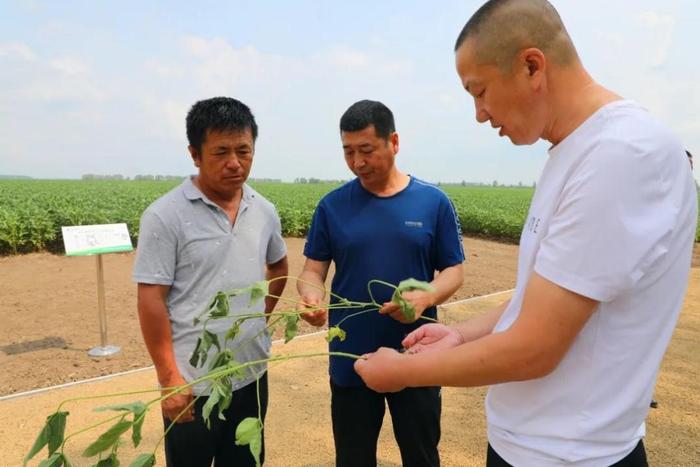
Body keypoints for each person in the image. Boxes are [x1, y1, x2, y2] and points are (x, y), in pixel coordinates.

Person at [354, 2, 698, 466]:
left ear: (532, 65)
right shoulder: (574, 151)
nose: (479, 113)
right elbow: (541, 299)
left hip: (571, 455)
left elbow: (535, 347)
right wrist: (460, 335)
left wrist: (406, 372)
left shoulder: (620, 155)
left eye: (480, 92)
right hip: (535, 446)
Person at [296, 99, 465, 467]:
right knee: (353, 458)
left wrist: (427, 297)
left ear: (394, 142)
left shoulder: (432, 202)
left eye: (367, 150)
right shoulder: (332, 206)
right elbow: (313, 271)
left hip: (418, 357)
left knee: (421, 455)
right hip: (352, 358)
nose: (357, 162)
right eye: (348, 151)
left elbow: (454, 270)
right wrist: (310, 295)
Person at [133, 96, 288, 467]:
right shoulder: (164, 216)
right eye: (221, 152)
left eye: (243, 151)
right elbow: (151, 299)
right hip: (192, 382)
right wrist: (169, 378)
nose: (235, 163)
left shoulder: (264, 210)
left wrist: (258, 318)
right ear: (195, 153)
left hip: (250, 373)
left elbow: (280, 266)